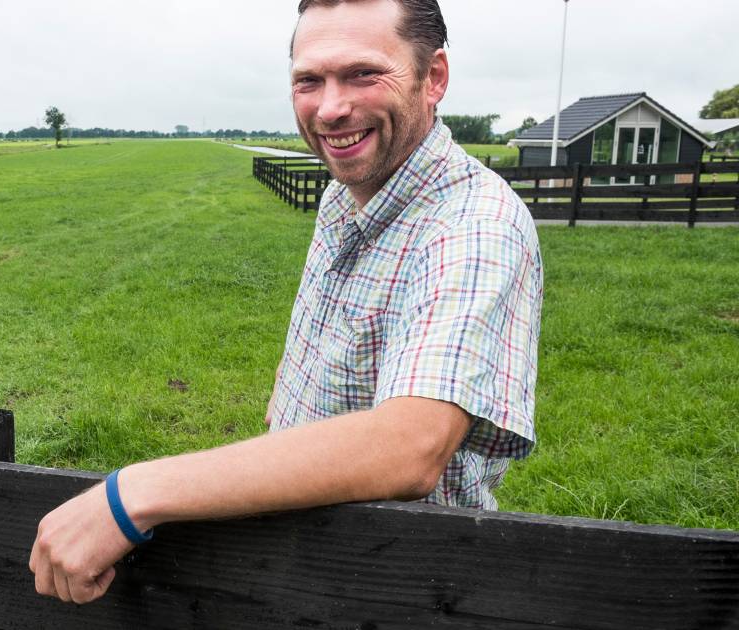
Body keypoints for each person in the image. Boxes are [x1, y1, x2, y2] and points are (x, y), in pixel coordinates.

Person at [28, 0, 543, 605]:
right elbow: (330, 330)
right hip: (303, 567)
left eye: (363, 73)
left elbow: (409, 447)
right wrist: (291, 385)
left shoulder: (473, 224)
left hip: (398, 589)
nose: (329, 108)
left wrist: (131, 494)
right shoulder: (344, 196)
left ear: (434, 79)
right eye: (309, 80)